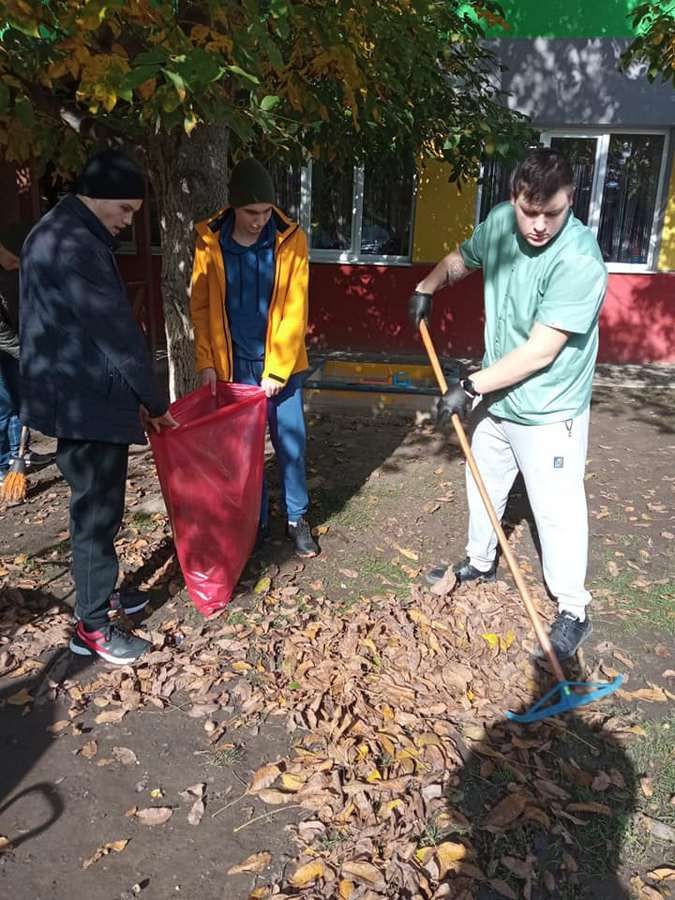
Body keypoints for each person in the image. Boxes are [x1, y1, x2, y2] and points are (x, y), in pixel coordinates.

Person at [409, 148, 608, 660]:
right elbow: (463, 258)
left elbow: (543, 350)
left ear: (570, 202)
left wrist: (471, 386)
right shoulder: (500, 223)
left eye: (553, 213)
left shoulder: (579, 259)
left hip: (549, 407)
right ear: (513, 198)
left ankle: (573, 609)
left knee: (557, 509)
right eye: (529, 211)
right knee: (483, 479)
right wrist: (427, 286)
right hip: (498, 393)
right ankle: (479, 563)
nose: (539, 225)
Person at [20, 149, 177, 665]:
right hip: (83, 402)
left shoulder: (62, 230)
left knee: (100, 509)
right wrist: (154, 400)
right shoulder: (73, 244)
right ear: (100, 196)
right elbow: (115, 330)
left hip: (77, 396)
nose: (129, 220)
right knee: (95, 511)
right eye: (127, 210)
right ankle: (93, 626)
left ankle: (103, 594)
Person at [190, 157, 319, 558]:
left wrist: (278, 369)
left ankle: (297, 518)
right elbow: (200, 306)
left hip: (280, 367)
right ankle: (254, 521)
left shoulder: (289, 238)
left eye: (265, 211)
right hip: (232, 367)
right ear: (233, 207)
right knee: (243, 453)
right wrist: (207, 362)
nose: (260, 220)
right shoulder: (210, 239)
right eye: (251, 212)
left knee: (290, 445)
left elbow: (296, 308)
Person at [0, 233, 54, 483]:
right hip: (6, 343)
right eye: (14, 257)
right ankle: (3, 465)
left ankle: (18, 453)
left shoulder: (17, 271)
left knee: (18, 398)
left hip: (12, 344)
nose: (17, 263)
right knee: (2, 404)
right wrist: (25, 355)